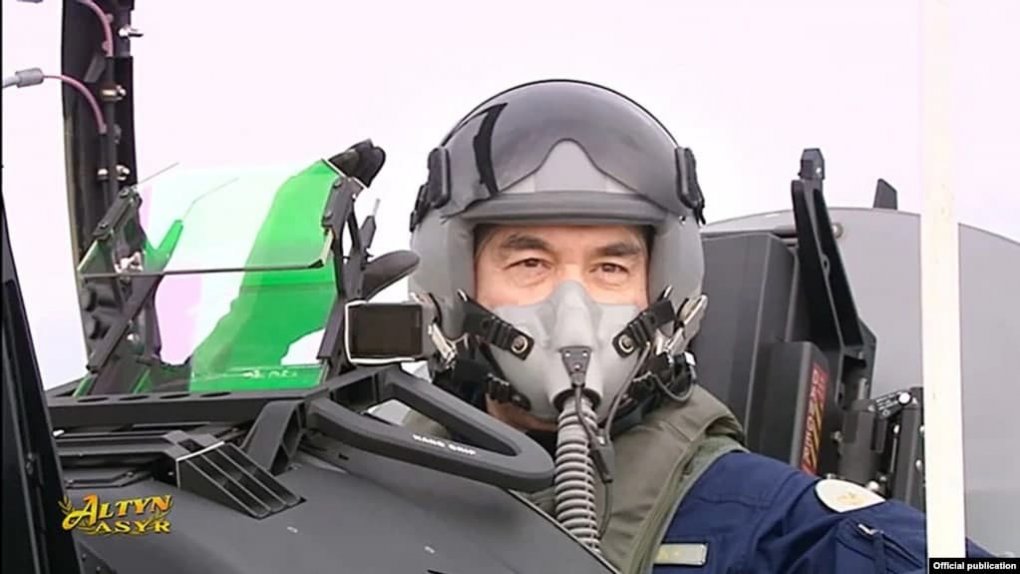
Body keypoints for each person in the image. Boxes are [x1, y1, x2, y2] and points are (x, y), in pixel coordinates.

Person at [395, 79, 990, 573]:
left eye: (610, 267)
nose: (572, 307)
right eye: (530, 263)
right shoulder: (364, 485)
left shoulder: (767, 528)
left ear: (663, 293)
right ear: (454, 288)